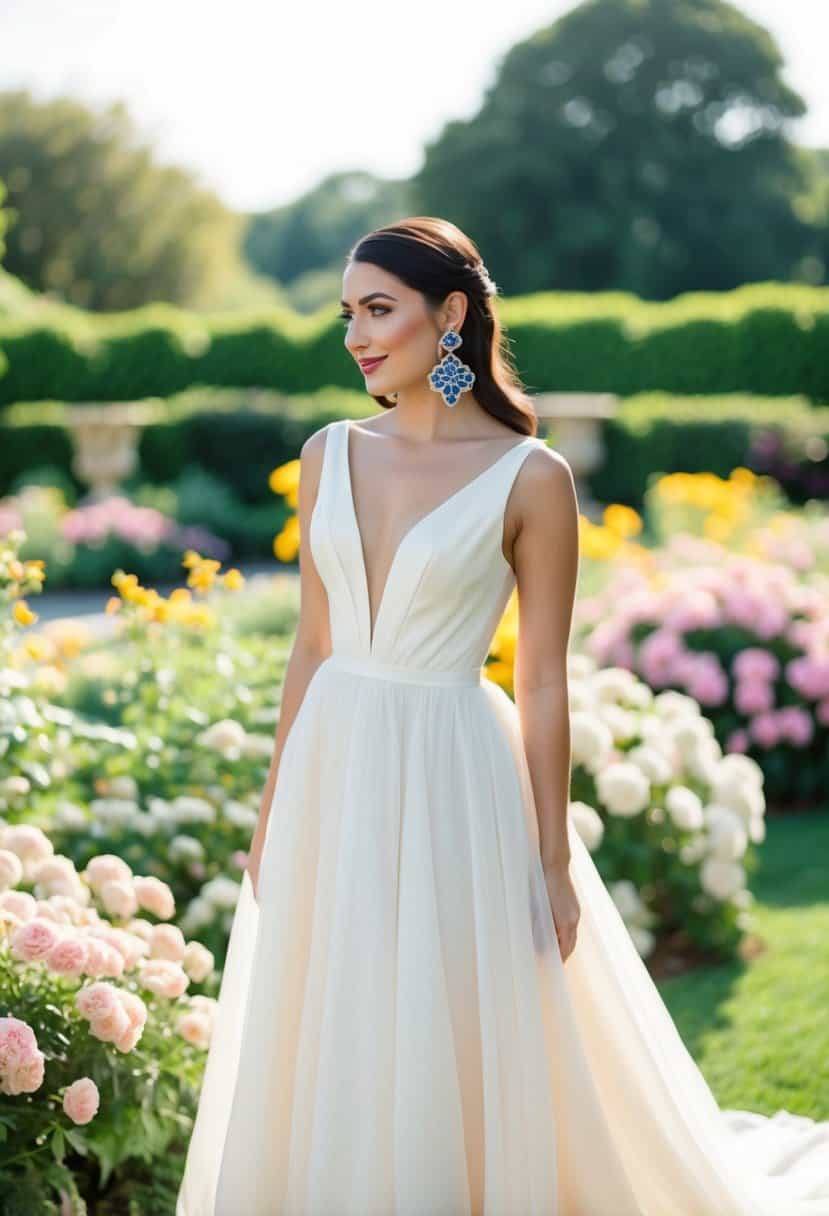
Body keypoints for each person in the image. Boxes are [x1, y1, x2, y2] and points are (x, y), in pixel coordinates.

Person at [176, 217, 829, 1215]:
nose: (356, 334)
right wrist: (273, 811)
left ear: (449, 315)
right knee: (335, 1005)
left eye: (379, 309)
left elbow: (542, 681)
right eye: (348, 312)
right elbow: (312, 643)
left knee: (447, 1013)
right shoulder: (325, 452)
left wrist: (553, 862)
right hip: (332, 762)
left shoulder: (532, 478)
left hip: (449, 765)